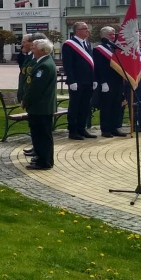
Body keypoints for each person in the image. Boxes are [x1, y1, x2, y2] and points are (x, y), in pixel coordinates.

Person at [22, 39, 58, 170]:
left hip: (41, 107)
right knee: (39, 134)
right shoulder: (43, 62)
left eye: (35, 48)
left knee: (42, 135)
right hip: (40, 107)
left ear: (43, 50)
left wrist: (26, 100)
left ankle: (44, 162)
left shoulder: (44, 65)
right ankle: (40, 158)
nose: (32, 49)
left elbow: (36, 88)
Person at [62, 22, 97, 140]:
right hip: (76, 82)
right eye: (85, 29)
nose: (88, 31)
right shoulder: (69, 44)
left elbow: (91, 63)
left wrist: (94, 79)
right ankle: (73, 130)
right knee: (75, 106)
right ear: (77, 31)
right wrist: (71, 80)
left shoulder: (87, 43)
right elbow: (68, 64)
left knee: (85, 106)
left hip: (88, 81)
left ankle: (82, 129)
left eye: (87, 28)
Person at [94, 26, 127, 137]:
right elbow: (98, 67)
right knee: (106, 106)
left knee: (116, 106)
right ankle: (105, 129)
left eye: (113, 34)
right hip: (107, 82)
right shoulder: (98, 49)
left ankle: (114, 128)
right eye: (110, 34)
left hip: (117, 81)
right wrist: (102, 82)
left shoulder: (115, 47)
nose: (113, 36)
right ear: (103, 36)